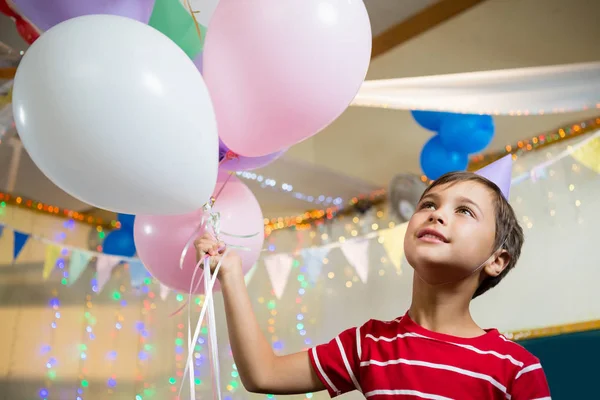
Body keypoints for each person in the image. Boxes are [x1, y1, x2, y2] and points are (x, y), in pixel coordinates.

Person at [195, 155, 551, 399]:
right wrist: (231, 274)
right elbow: (263, 374)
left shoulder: (516, 368)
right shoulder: (369, 344)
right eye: (429, 204)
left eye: (464, 211)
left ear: (497, 260)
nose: (437, 215)